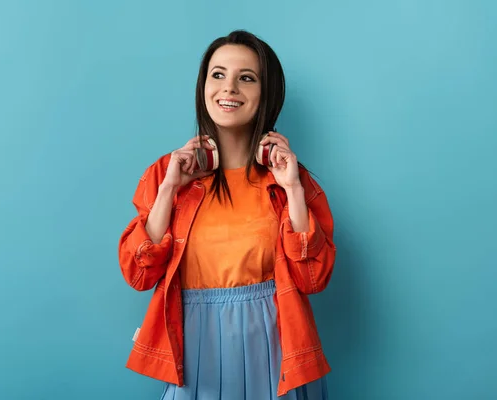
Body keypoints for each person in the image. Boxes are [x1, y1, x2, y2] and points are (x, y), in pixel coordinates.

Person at [118, 30, 336, 399]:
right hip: (195, 345)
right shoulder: (164, 174)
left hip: (275, 345)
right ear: (203, 87)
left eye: (246, 78)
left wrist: (293, 188)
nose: (229, 87)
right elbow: (139, 274)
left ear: (266, 95)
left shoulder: (292, 181)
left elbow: (312, 278)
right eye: (217, 75)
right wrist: (170, 188)